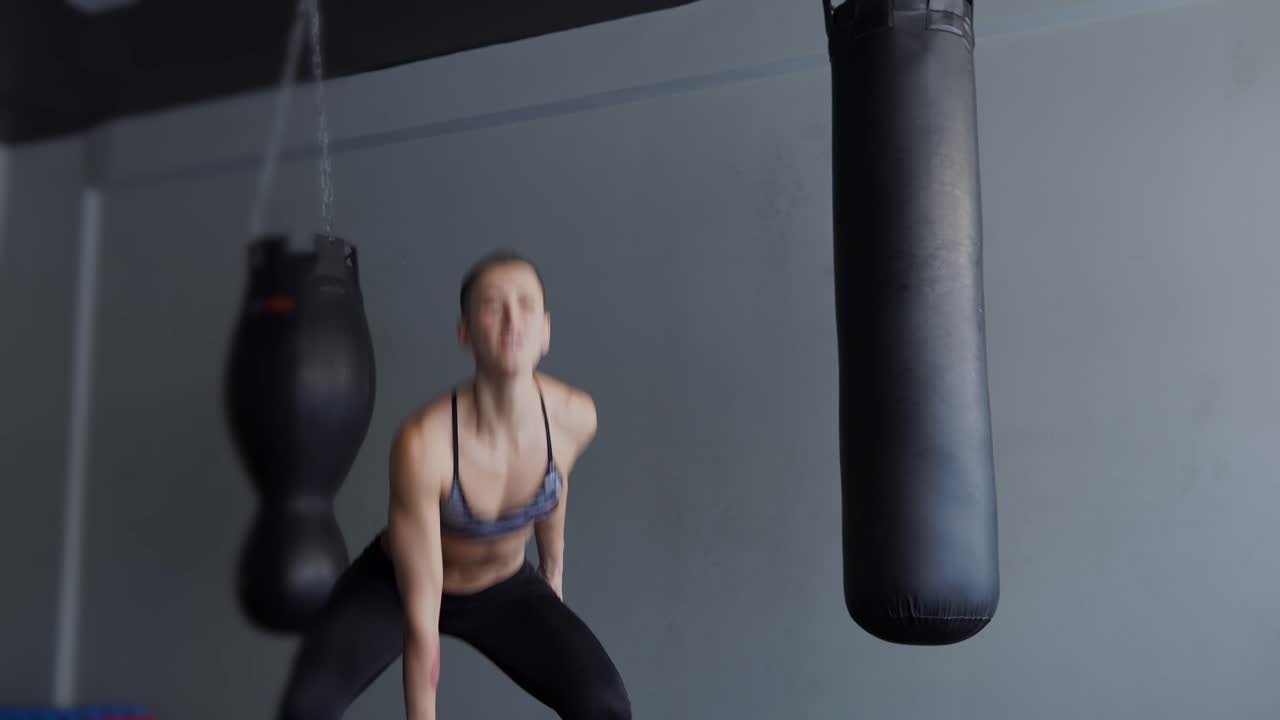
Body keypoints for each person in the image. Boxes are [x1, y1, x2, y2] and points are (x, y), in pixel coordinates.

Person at [277, 250, 631, 720]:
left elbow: (553, 484)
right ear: (465, 333)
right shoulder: (425, 445)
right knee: (305, 707)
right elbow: (422, 622)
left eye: (526, 305)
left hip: (503, 588)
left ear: (546, 331)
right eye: (492, 306)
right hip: (399, 589)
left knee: (604, 705)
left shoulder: (575, 418)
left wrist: (552, 574)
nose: (511, 321)